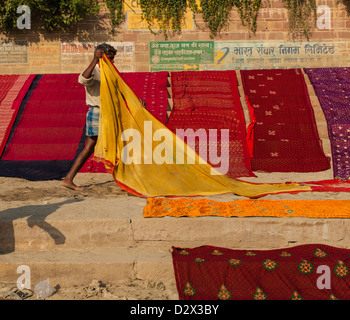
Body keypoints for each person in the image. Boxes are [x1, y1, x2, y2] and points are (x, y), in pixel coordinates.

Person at [62, 43, 145, 191]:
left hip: (110, 113)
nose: (113, 62)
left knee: (112, 145)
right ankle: (69, 178)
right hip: (97, 112)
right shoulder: (94, 70)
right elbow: (82, 80)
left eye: (113, 59)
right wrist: (94, 60)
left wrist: (134, 100)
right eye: (110, 58)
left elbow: (118, 91)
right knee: (93, 146)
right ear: (102, 56)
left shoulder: (110, 72)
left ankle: (69, 178)